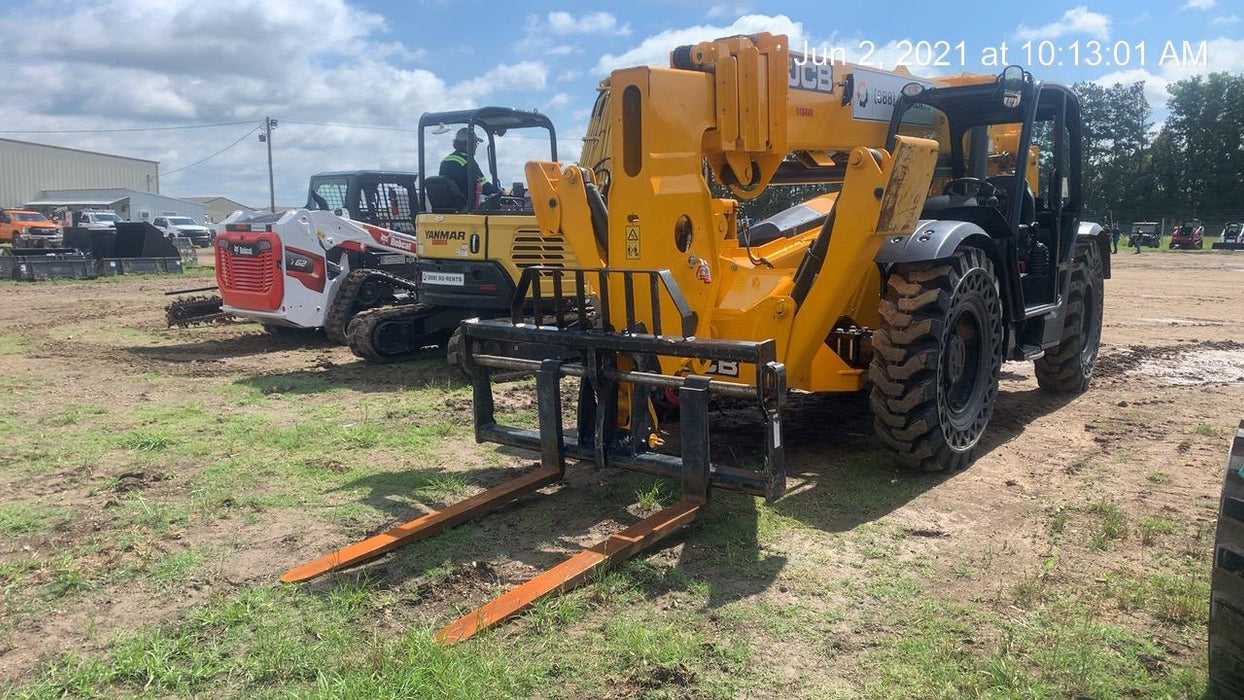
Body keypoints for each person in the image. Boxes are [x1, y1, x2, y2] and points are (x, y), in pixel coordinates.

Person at [440, 128, 498, 206]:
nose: (476, 146)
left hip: (448, 207)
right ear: (470, 143)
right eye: (476, 143)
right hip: (465, 207)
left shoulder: (445, 161)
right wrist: (500, 191)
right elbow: (484, 186)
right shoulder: (468, 162)